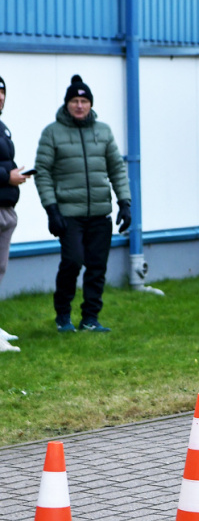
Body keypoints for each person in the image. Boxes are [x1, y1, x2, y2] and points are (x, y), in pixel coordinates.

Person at [34, 75, 131, 333]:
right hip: (69, 214)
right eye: (75, 101)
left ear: (90, 104)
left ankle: (90, 318)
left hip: (100, 213)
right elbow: (42, 173)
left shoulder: (103, 131)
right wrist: (51, 209)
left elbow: (117, 169)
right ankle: (62, 316)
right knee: (73, 262)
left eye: (84, 101)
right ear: (67, 104)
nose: (79, 105)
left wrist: (125, 202)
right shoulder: (52, 133)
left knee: (97, 267)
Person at [0, 74, 30, 353]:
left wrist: (15, 174)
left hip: (6, 209)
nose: (0, 97)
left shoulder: (3, 128)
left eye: (2, 92)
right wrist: (6, 177)